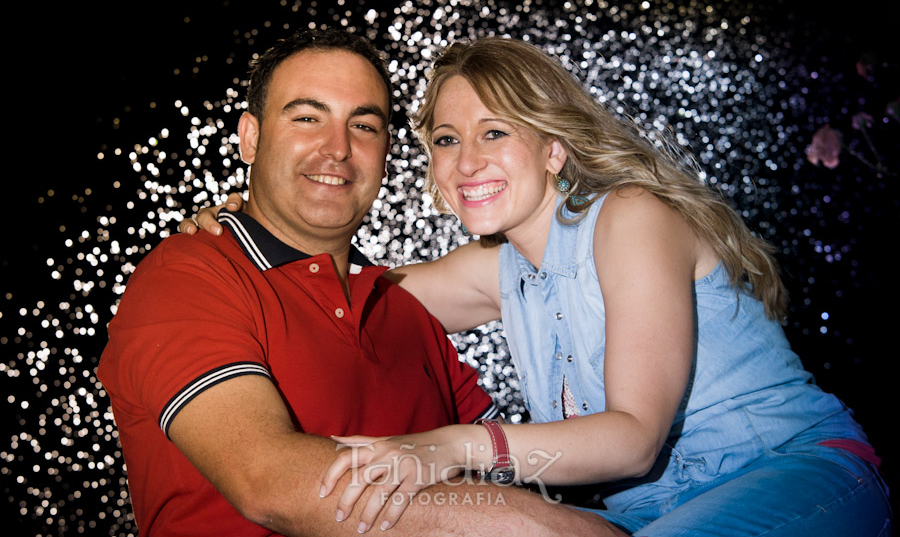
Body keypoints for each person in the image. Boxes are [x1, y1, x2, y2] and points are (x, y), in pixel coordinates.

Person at [190, 36, 892, 536]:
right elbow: (333, 295)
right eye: (445, 139)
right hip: (651, 515)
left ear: (553, 147)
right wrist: (245, 227)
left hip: (802, 470)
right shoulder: (498, 269)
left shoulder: (629, 220)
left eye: (495, 132)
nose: (467, 161)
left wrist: (448, 446)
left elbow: (634, 441)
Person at [98, 29, 625, 537]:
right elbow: (270, 483)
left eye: (364, 126)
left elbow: (502, 468)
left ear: (387, 151)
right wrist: (544, 528)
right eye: (307, 117)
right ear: (250, 138)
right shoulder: (190, 275)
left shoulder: (403, 306)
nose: (338, 148)